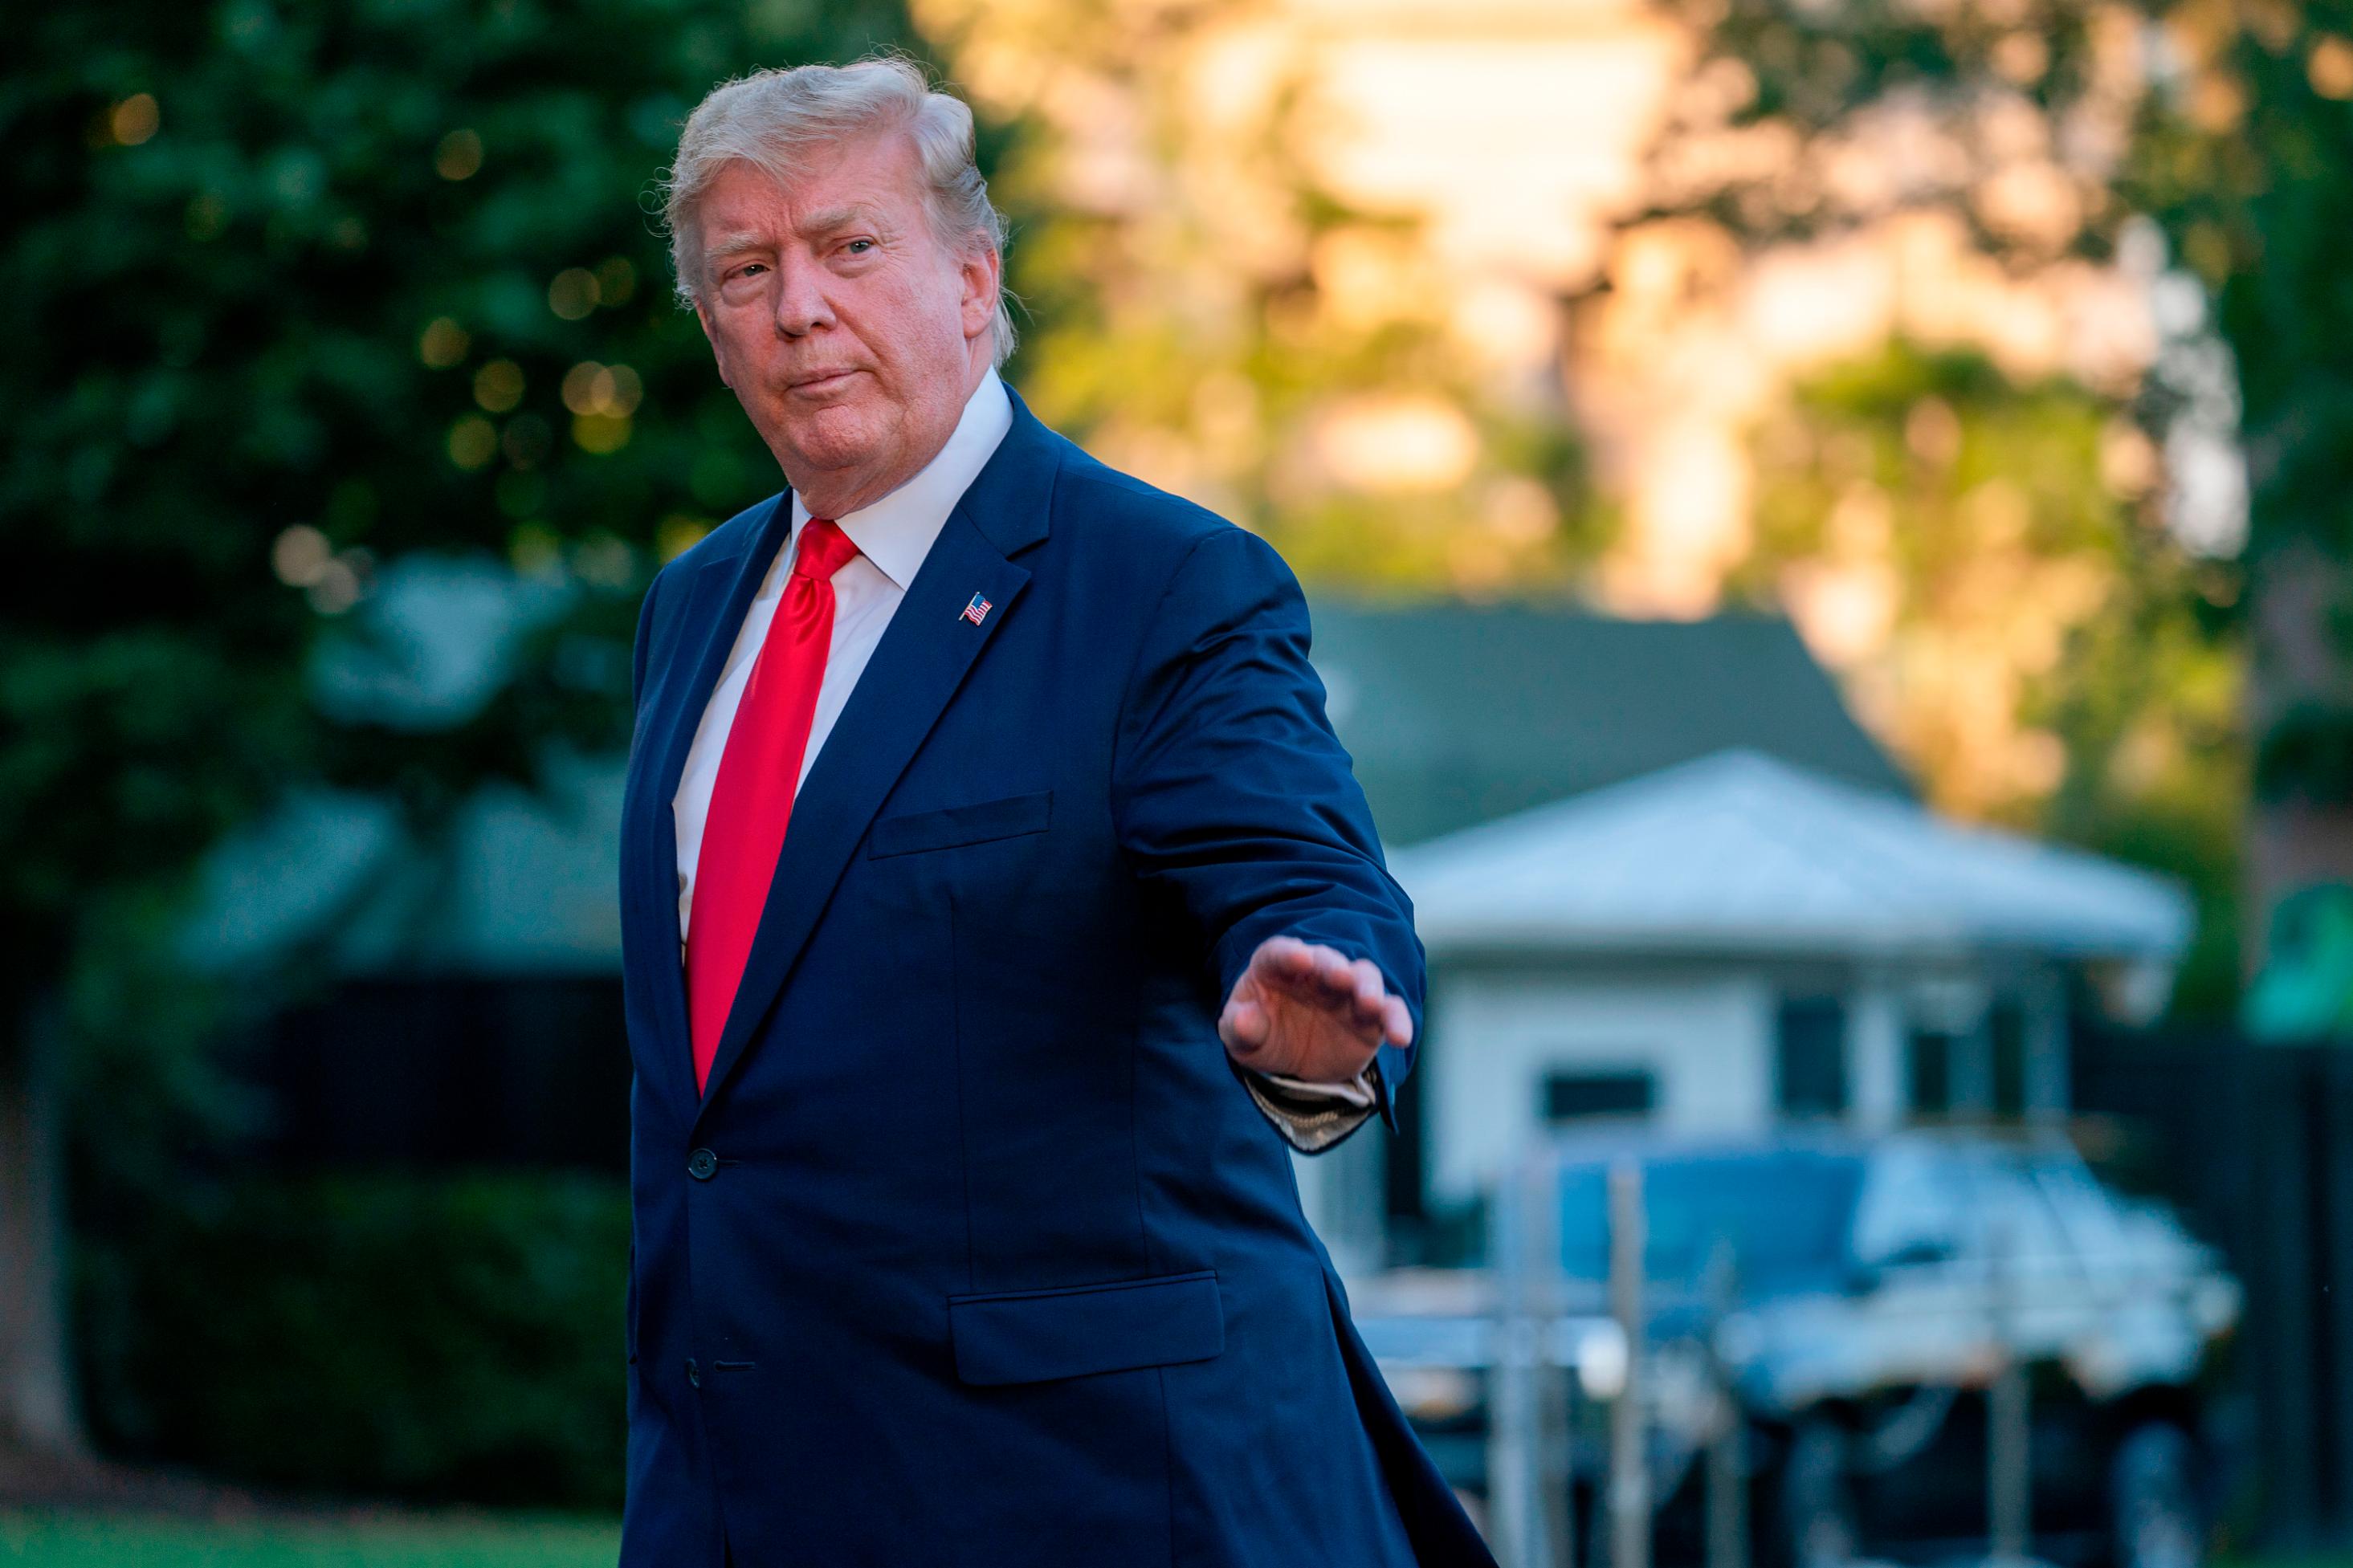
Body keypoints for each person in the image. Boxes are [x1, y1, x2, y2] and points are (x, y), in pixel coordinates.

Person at [618, 55, 1496, 1566]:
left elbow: (1305, 884)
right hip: (742, 1488)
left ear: (972, 277)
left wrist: (1314, 1036)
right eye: (744, 271)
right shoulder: (695, 607)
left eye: (849, 248)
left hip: (1085, 1491)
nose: (797, 309)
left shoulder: (1159, 583)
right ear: (708, 327)